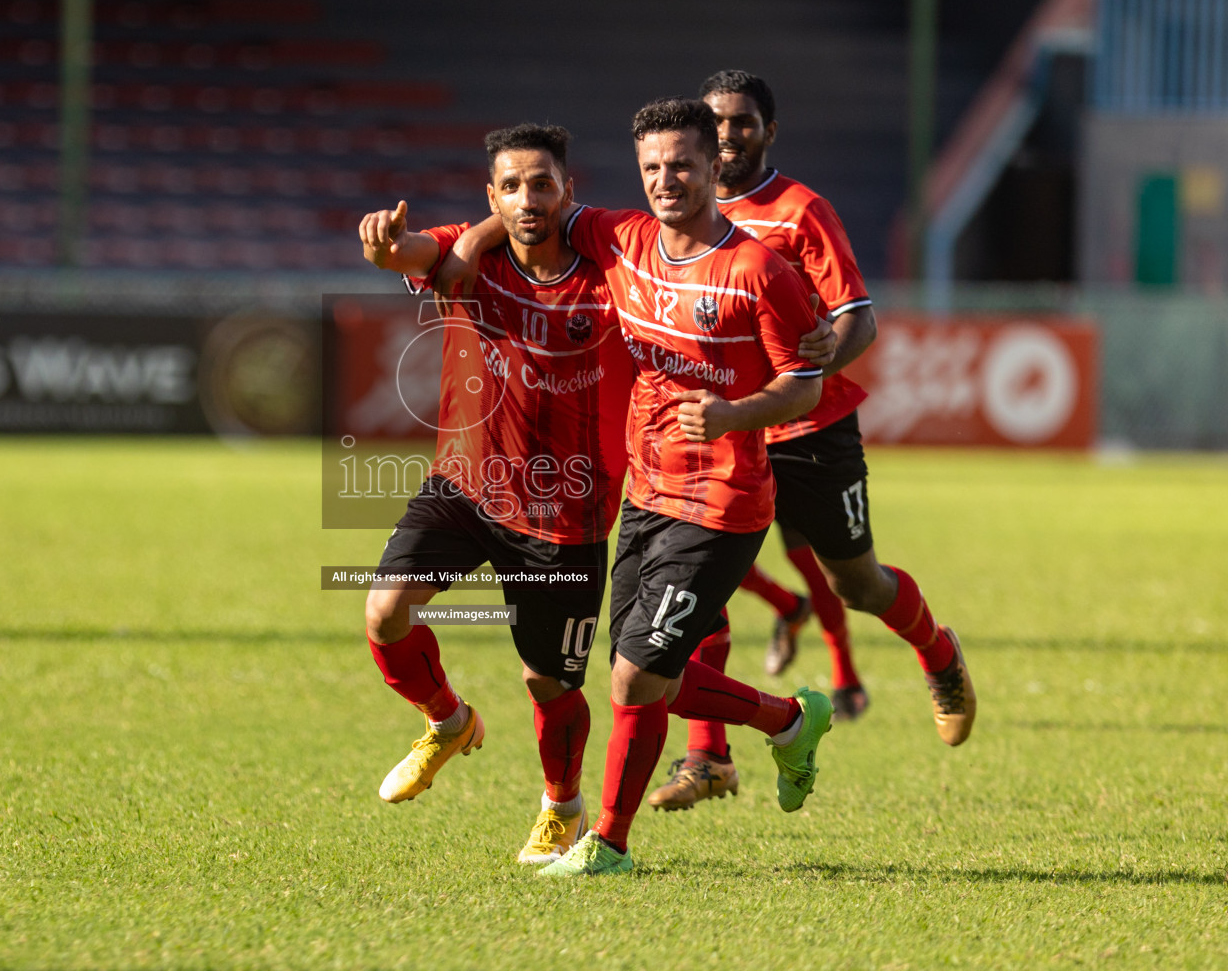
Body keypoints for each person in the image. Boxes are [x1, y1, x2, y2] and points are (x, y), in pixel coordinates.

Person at [441, 98, 841, 877]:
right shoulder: (617, 237)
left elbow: (806, 384)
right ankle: (791, 721)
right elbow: (533, 209)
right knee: (642, 668)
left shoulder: (758, 268)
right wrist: (465, 251)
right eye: (652, 167)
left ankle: (611, 847)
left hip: (724, 501)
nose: (666, 180)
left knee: (633, 676)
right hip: (646, 495)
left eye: (682, 165)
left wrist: (734, 414)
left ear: (713, 168)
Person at [649, 70, 977, 813]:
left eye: (742, 122)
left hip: (808, 428)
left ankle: (939, 653)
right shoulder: (678, 216)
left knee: (855, 585)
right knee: (704, 586)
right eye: (716, 123)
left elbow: (858, 316)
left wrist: (811, 364)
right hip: (723, 435)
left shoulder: (800, 211)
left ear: (769, 131)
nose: (728, 134)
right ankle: (708, 759)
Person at [356, 123, 636, 865]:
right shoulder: (462, 257)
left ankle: (561, 808)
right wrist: (388, 246)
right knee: (384, 613)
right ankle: (448, 722)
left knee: (548, 683)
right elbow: (406, 253)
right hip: (465, 485)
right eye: (509, 186)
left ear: (568, 192)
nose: (526, 198)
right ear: (491, 196)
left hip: (565, 511)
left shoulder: (611, 277)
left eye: (541, 183)